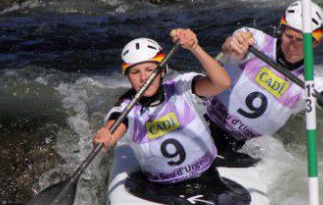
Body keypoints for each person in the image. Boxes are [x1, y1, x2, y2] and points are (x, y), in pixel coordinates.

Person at [205, 1, 323, 161]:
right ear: (282, 30)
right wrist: (235, 45)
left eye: (301, 40)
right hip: (206, 120)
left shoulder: (311, 83)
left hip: (242, 145)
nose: (292, 44)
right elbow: (229, 48)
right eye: (289, 36)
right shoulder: (256, 42)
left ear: (315, 43)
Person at [92, 29, 231, 190]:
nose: (143, 78)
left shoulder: (181, 87)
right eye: (135, 72)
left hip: (206, 174)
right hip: (160, 188)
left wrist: (195, 48)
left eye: (150, 70)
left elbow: (222, 83)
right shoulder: (126, 108)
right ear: (128, 77)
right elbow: (114, 127)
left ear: (163, 70)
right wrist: (104, 138)